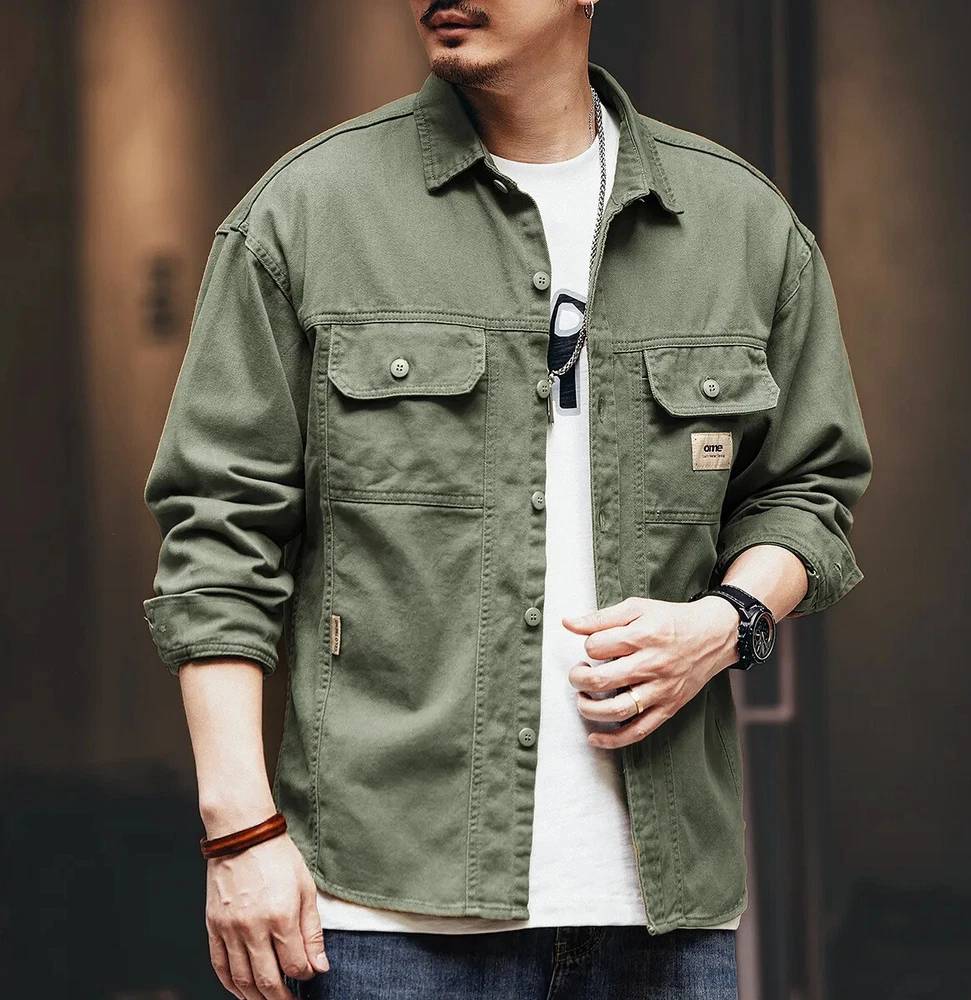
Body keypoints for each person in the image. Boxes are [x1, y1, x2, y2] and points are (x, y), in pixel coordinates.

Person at [141, 0, 873, 997]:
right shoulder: (308, 213)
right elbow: (220, 538)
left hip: (661, 922)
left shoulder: (738, 225)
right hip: (381, 921)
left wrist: (725, 620)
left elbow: (806, 487)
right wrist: (239, 833)